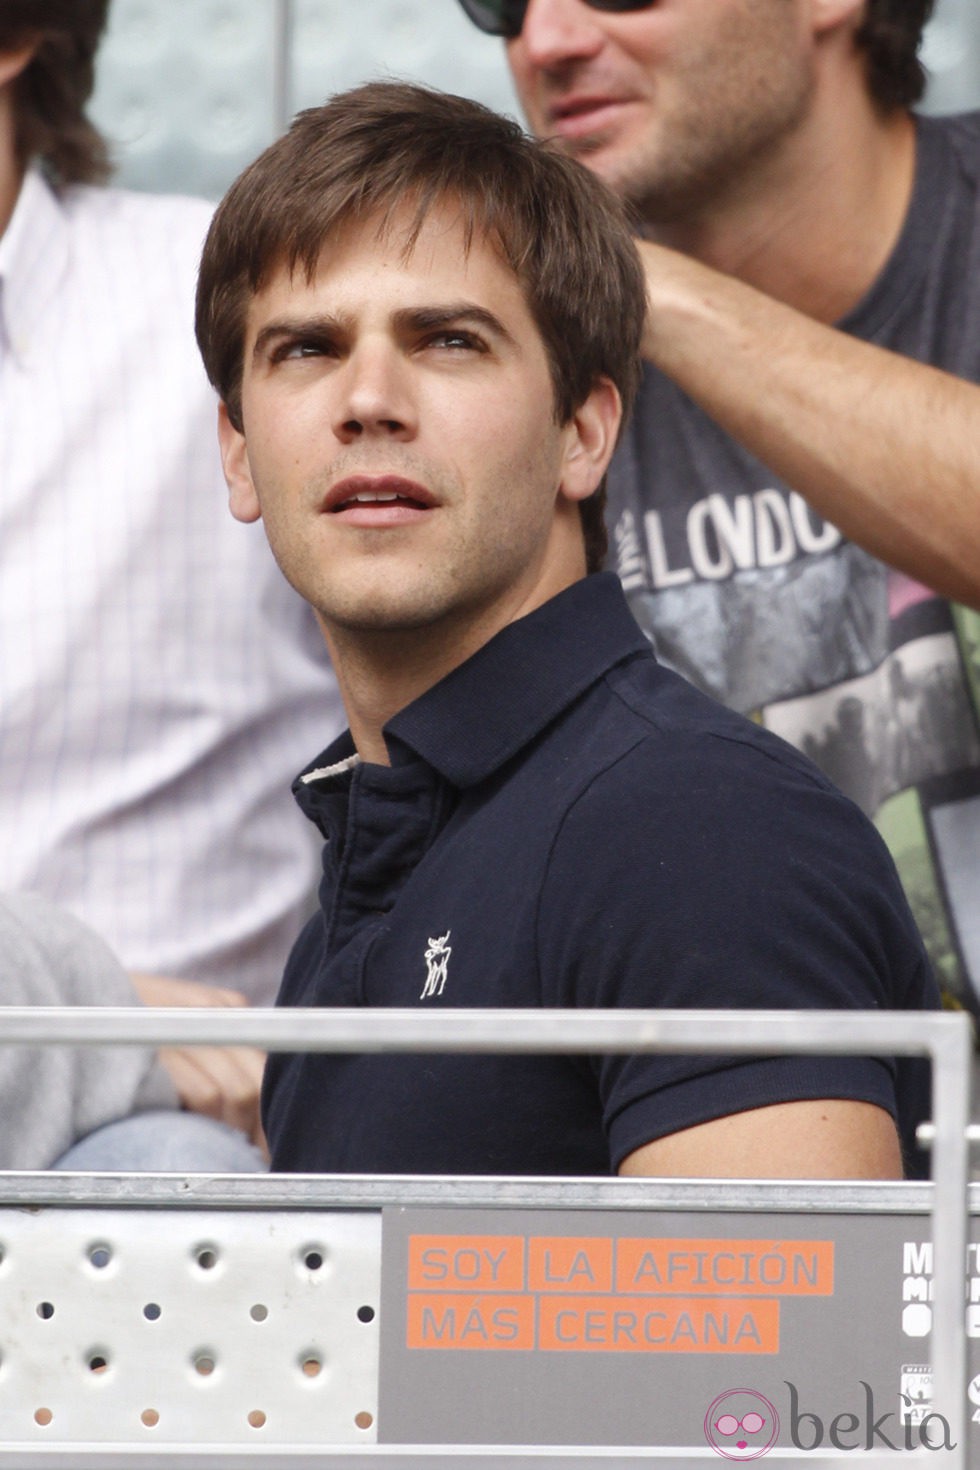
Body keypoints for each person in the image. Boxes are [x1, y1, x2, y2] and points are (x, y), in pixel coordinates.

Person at [194, 81, 939, 1181]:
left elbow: (775, 1352)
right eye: (305, 349)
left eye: (447, 340)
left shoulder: (695, 827)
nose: (367, 400)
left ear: (583, 434)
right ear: (240, 453)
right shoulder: (373, 859)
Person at [458, 0, 980, 1014]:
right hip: (721, 1126)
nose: (544, 42)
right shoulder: (508, 354)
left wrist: (637, 284)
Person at [0, 1, 342, 1165]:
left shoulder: (230, 308)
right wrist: (81, 1004)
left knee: (167, 1203)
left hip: (173, 1125)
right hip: (117, 1038)